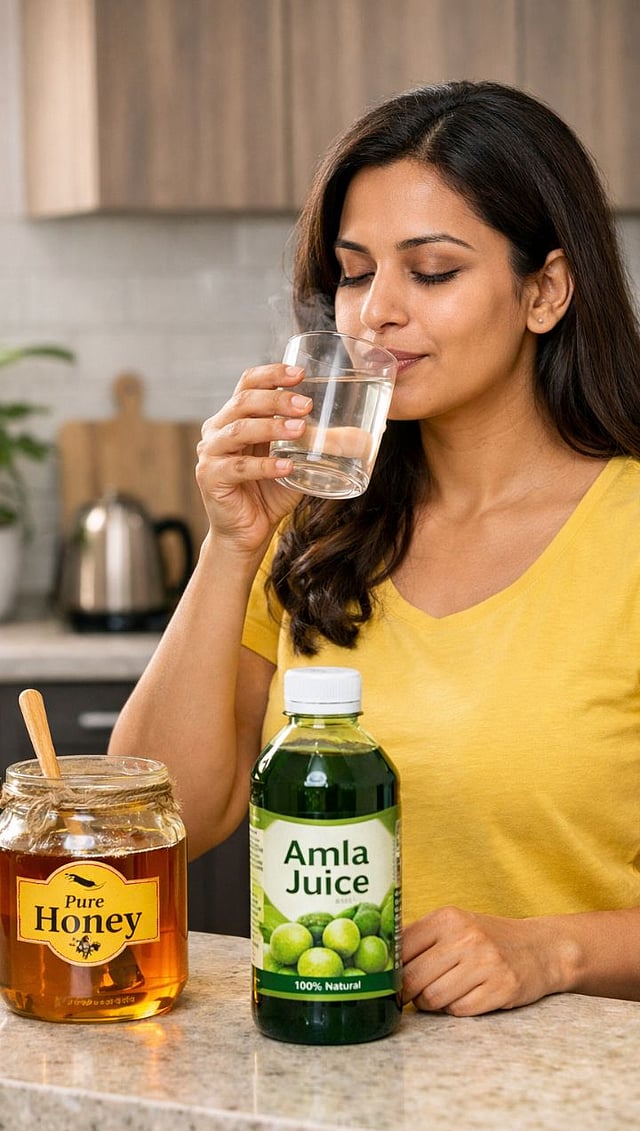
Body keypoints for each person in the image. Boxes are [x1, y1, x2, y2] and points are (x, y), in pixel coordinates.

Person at [109, 80, 640, 1017]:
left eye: (431, 272)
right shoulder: (314, 529)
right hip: (333, 1057)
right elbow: (158, 821)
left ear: (545, 291)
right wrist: (232, 546)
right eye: (355, 274)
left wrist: (554, 948)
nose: (375, 313)